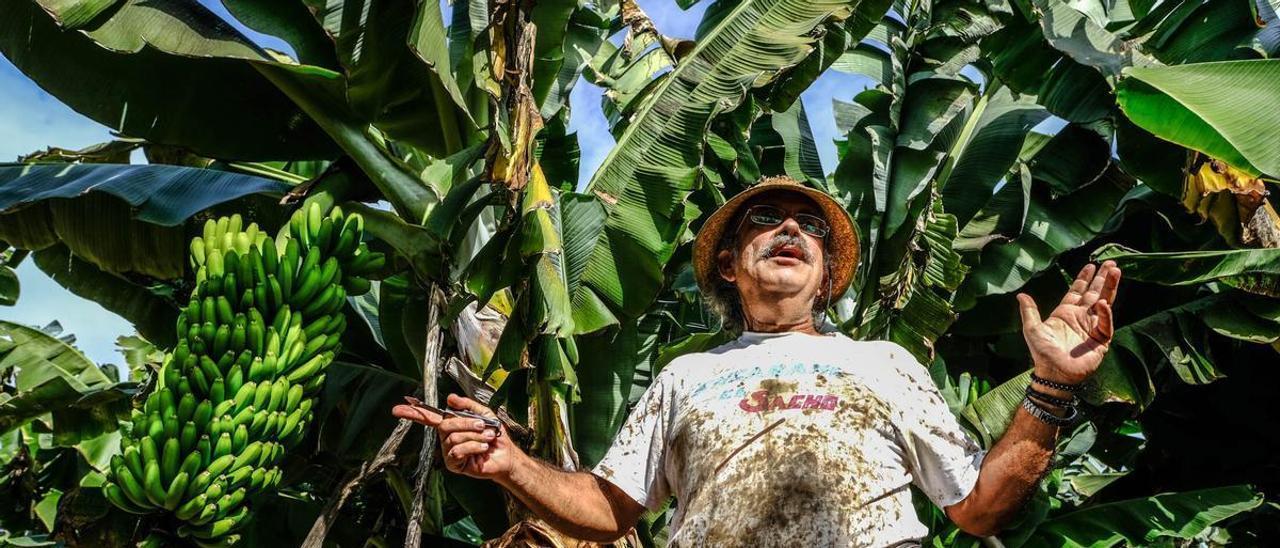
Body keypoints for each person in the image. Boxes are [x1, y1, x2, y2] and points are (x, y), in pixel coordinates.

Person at [393, 176, 1122, 546]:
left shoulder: (885, 362)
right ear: (729, 270)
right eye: (764, 223)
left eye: (808, 226)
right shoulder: (686, 376)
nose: (790, 230)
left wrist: (1053, 386)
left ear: (827, 275)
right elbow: (611, 510)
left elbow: (977, 507)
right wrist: (510, 465)